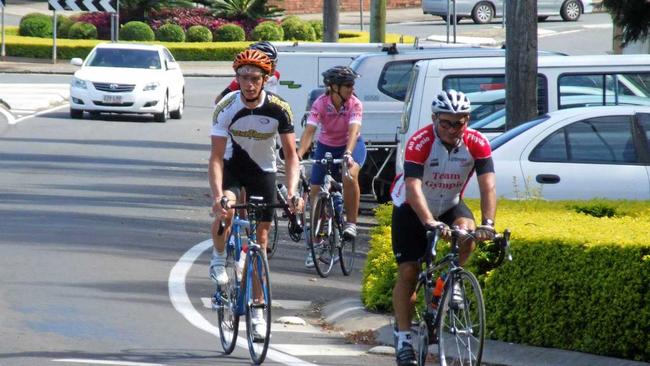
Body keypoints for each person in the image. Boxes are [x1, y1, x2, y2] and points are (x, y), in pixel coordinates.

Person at [389, 89, 496, 366]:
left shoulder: (477, 143)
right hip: (411, 207)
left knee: (467, 232)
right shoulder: (420, 142)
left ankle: (451, 282)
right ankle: (403, 339)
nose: (452, 128)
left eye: (459, 122)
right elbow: (413, 187)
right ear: (435, 119)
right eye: (446, 122)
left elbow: (488, 185)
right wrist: (428, 221)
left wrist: (489, 223)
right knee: (409, 271)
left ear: (467, 120)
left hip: (449, 203)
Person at [208, 49, 303, 341]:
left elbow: (291, 156)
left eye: (255, 78)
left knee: (260, 243)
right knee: (227, 207)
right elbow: (215, 157)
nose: (249, 84)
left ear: (265, 80)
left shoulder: (279, 108)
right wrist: (217, 195)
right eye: (244, 77)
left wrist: (292, 192)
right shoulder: (226, 106)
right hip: (233, 168)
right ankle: (218, 254)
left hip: (263, 171)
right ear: (237, 79)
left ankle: (258, 311)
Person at [297, 65, 367, 268]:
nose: (351, 88)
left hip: (352, 145)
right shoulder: (320, 103)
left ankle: (352, 223)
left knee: (349, 175)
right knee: (316, 191)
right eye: (347, 85)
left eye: (352, 84)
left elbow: (354, 130)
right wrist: (299, 155)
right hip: (326, 146)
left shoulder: (355, 103)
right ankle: (317, 242)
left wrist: (347, 153)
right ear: (334, 87)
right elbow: (310, 131)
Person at [214, 41, 280, 105]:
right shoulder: (241, 81)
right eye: (271, 63)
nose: (274, 66)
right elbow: (218, 101)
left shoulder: (276, 75)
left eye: (275, 62)